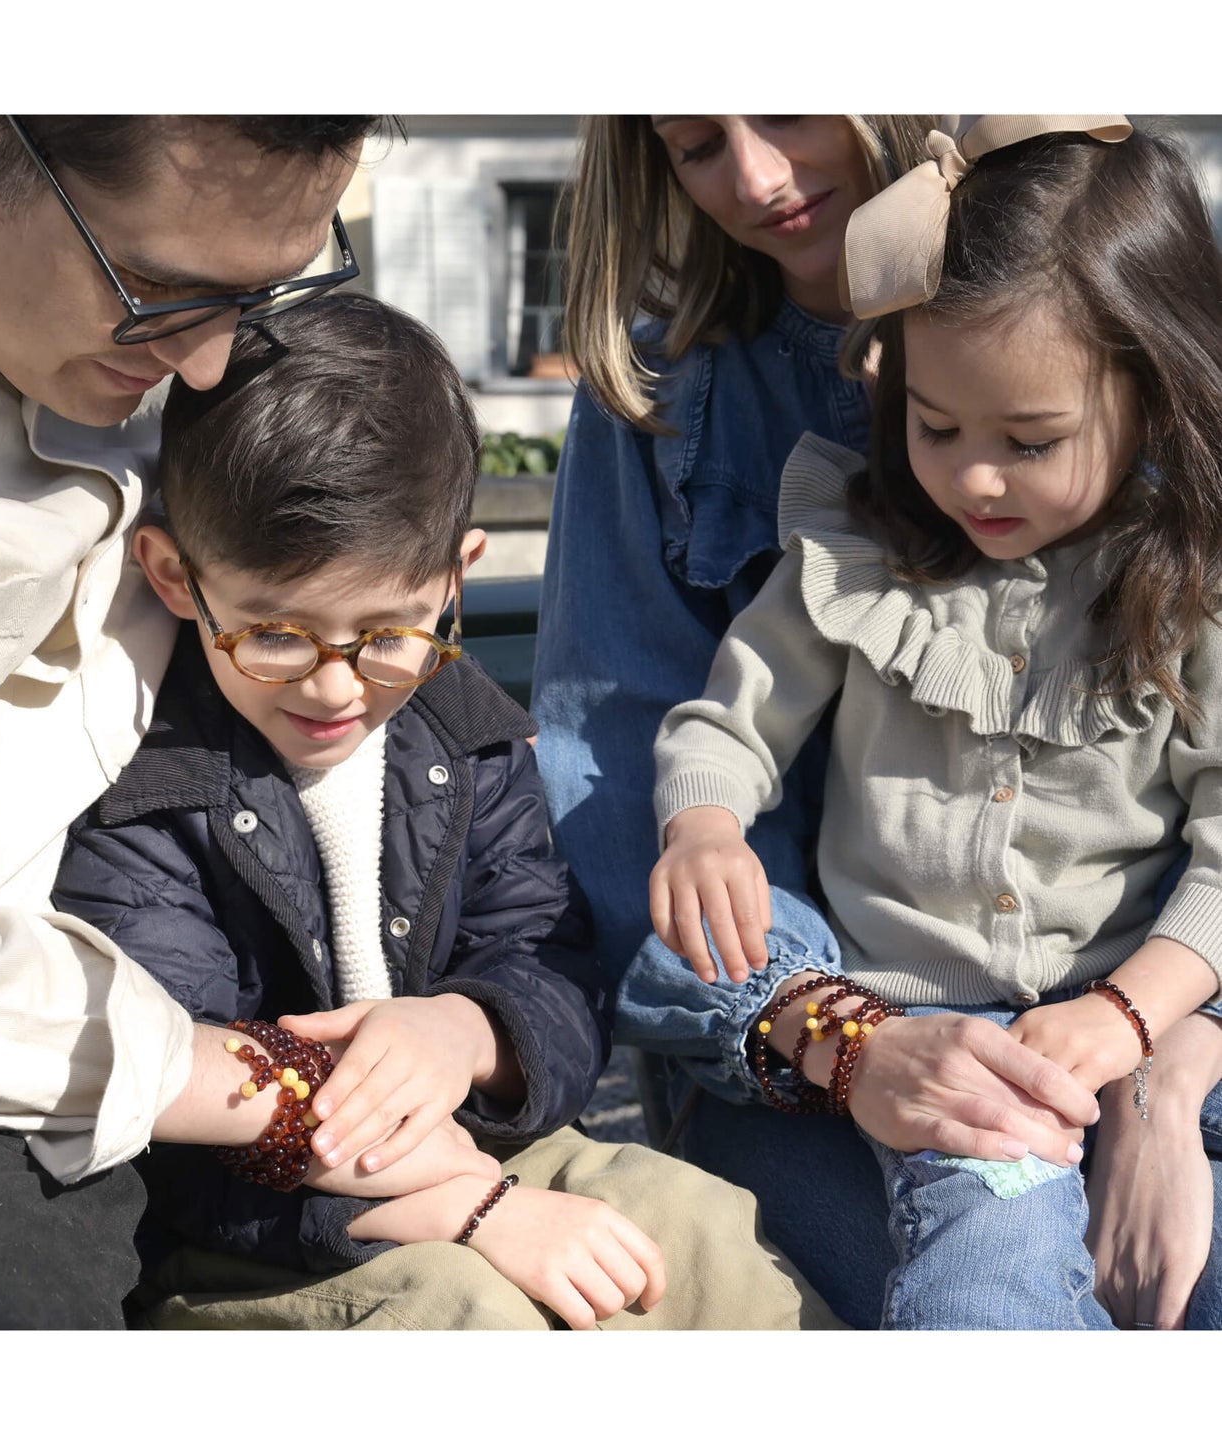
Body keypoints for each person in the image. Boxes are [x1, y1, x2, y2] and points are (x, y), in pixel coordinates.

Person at [50, 293, 836, 1331]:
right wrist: (472, 1204)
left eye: (385, 632)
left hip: (484, 1146)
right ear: (175, 576)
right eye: (274, 634)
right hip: (250, 1225)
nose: (332, 687)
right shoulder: (146, 781)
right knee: (470, 1314)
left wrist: (463, 1030)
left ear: (451, 580)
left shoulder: (467, 734)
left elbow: (544, 952)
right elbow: (177, 1078)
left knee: (699, 1228)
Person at [0, 113, 414, 1329]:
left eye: (260, 293)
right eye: (157, 287)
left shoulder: (147, 313)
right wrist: (248, 1081)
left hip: (14, 1116)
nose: (212, 365)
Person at [649, 115, 1222, 1329]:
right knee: (984, 1271)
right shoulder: (858, 554)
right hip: (937, 1051)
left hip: (1134, 1027)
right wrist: (702, 827)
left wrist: (1129, 1017)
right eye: (934, 427)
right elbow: (727, 719)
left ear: (1153, 392)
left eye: (1029, 441)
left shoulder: (1185, 592)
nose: (971, 479)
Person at [530, 114, 946, 1324]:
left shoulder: (1105, 321)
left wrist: (1160, 1035)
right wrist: (835, 1039)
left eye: (787, 104)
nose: (755, 179)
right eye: (695, 144)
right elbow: (612, 763)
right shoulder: (660, 400)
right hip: (795, 1046)